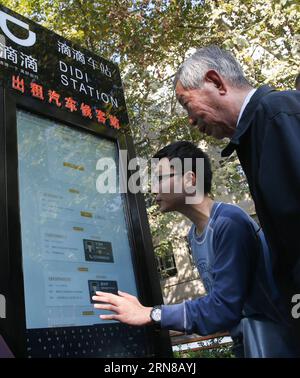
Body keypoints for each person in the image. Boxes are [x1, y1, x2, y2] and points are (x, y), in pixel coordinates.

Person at [93, 141, 299, 357]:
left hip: (282, 343)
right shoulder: (194, 235)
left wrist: (151, 314)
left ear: (190, 180)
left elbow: (222, 309)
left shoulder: (229, 223)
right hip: (250, 344)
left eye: (161, 179)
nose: (154, 188)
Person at [173, 46, 300, 343]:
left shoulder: (279, 115)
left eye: (186, 104)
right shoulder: (255, 134)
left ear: (216, 82)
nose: (190, 121)